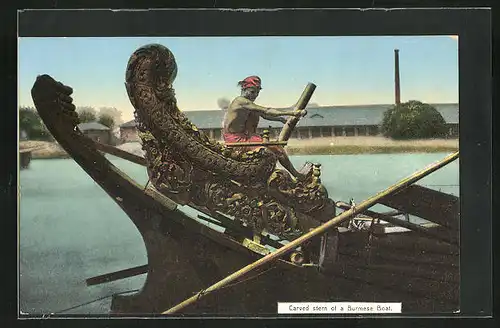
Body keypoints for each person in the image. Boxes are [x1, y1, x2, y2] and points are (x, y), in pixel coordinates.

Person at [223, 75, 307, 180]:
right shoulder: (240, 101)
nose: (255, 95)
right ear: (244, 88)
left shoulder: (247, 104)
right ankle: (296, 175)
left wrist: (280, 119)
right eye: (252, 92)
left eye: (257, 92)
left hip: (244, 137)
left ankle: (295, 175)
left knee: (277, 148)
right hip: (236, 140)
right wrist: (293, 113)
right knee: (277, 150)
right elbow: (266, 110)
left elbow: (264, 115)